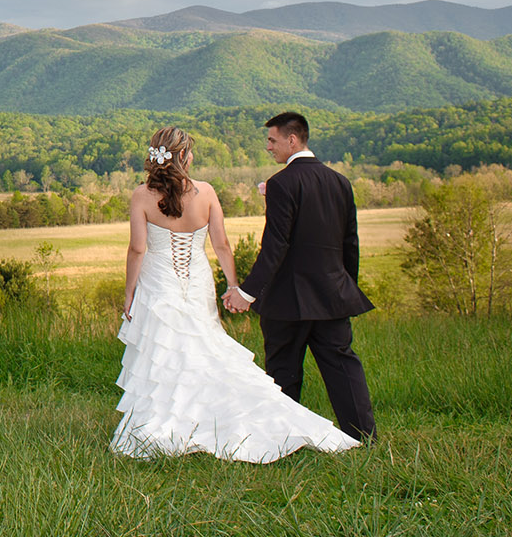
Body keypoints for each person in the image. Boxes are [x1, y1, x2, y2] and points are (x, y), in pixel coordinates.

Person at [111, 126, 359, 462]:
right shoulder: (206, 192)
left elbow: (137, 249)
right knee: (203, 347)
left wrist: (130, 294)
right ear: (184, 156)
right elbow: (222, 244)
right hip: (196, 282)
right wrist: (233, 286)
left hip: (159, 283)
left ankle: (170, 420)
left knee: (165, 351)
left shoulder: (141, 196)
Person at [223, 111, 376, 441]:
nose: (268, 147)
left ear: (292, 140)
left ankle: (283, 440)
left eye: (272, 140)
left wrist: (247, 293)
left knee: (282, 371)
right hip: (333, 295)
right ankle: (364, 436)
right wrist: (347, 285)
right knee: (343, 368)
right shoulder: (340, 181)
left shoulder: (281, 183)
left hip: (287, 299)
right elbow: (351, 241)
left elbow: (275, 246)